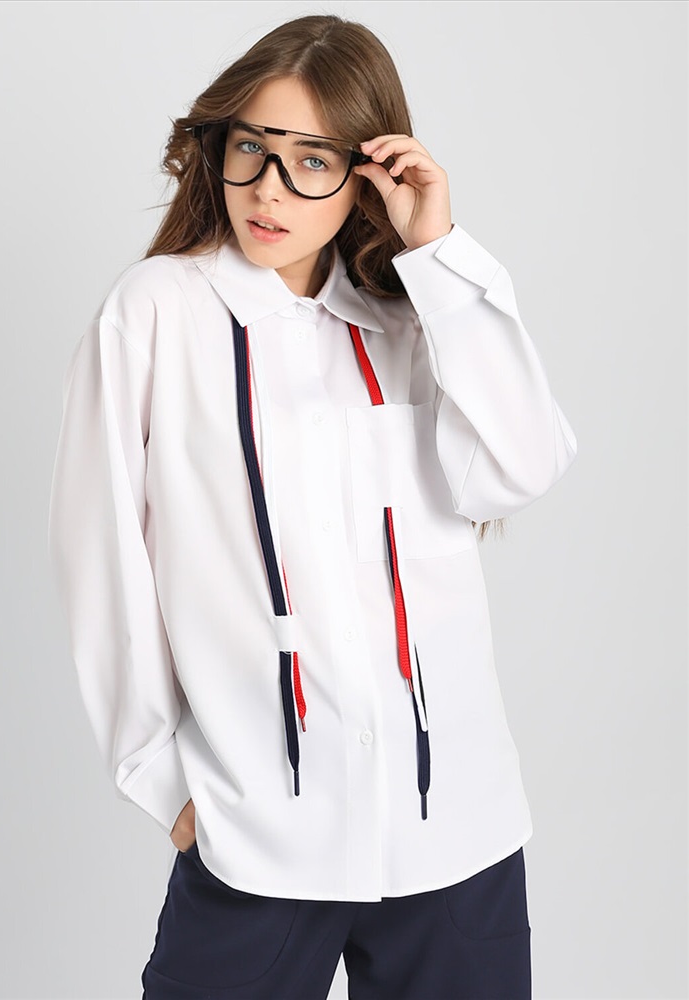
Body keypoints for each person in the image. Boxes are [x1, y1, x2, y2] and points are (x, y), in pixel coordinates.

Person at [48, 13, 577, 1000]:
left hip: (453, 834)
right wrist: (161, 778)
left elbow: (522, 466)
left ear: (368, 171)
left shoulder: (414, 319)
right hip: (259, 833)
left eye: (311, 161)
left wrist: (439, 250)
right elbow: (101, 554)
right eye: (251, 148)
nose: (269, 189)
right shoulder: (155, 312)